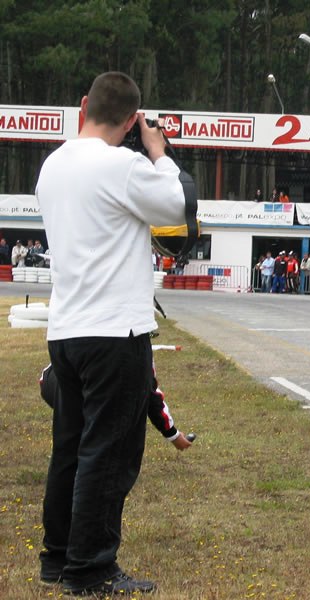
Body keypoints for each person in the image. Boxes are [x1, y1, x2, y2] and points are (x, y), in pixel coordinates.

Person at [34, 71, 187, 596]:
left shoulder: (53, 165)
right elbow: (175, 207)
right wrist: (158, 151)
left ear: (83, 105)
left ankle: (57, 558)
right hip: (115, 331)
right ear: (131, 121)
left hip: (67, 328)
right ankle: (91, 568)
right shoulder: (123, 165)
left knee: (70, 448)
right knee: (110, 453)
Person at [39, 362, 193, 450]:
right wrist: (173, 435)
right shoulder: (134, 341)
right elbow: (150, 393)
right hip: (85, 388)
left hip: (51, 381)